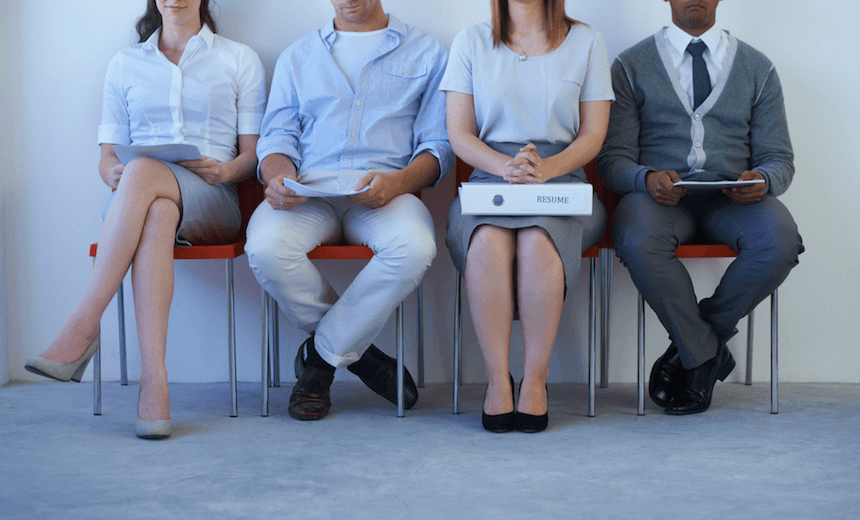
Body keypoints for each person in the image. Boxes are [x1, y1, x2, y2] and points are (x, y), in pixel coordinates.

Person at [25, 0, 266, 439]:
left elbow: (253, 156)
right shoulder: (125, 63)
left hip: (212, 198)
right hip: (139, 201)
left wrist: (224, 170)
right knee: (154, 206)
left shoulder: (239, 59)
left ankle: (83, 324)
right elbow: (107, 158)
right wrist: (114, 172)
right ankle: (155, 383)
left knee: (142, 176)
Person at [245, 0, 452, 421]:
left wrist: (398, 182)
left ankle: (319, 363)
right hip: (309, 194)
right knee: (266, 246)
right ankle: (362, 357)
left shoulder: (428, 52)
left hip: (386, 193)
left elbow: (437, 146)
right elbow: (276, 137)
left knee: (413, 246)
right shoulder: (297, 55)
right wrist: (278, 176)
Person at [597, 0, 803, 415]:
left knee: (780, 242)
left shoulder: (757, 68)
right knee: (638, 240)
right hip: (659, 200)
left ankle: (697, 346)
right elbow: (612, 161)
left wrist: (762, 180)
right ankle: (704, 354)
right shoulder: (630, 65)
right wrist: (645, 179)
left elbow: (779, 159)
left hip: (733, 203)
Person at [441, 0, 613, 433]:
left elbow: (593, 134)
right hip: (489, 177)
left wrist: (545, 170)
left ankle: (536, 378)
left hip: (564, 180)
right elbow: (459, 132)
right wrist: (507, 168)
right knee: (487, 241)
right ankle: (498, 379)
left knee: (538, 240)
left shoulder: (588, 41)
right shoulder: (471, 41)